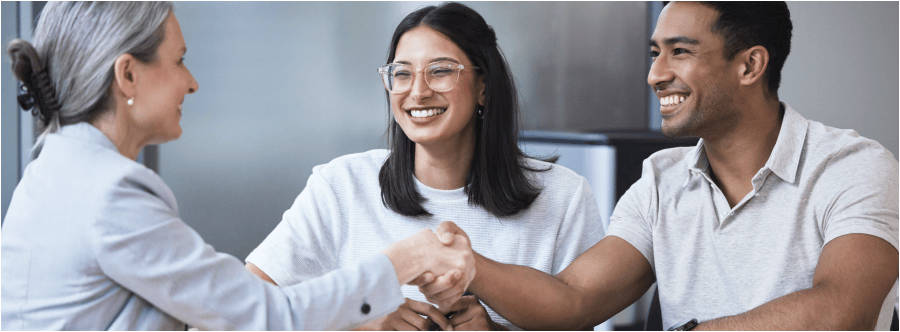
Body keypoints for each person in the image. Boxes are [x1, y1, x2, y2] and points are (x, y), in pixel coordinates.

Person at [423, 1, 899, 330]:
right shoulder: (660, 179)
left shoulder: (853, 167)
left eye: (680, 51)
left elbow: (843, 313)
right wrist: (470, 267)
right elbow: (573, 299)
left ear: (750, 66)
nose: (656, 75)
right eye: (655, 53)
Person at [0, 2, 474, 330]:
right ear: (127, 74)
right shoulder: (110, 193)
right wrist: (405, 261)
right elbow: (264, 316)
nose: (192, 83)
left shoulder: (55, 171)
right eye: (180, 60)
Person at [244, 2, 605, 331]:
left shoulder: (564, 196)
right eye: (402, 74)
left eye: (440, 71)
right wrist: (357, 323)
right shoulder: (340, 186)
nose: (417, 92)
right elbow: (242, 313)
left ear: (484, 86)